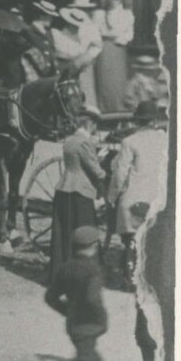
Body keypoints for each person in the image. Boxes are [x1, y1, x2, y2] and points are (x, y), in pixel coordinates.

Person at [38, 225, 111, 361]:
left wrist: (68, 312)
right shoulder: (93, 270)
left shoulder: (65, 268)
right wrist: (101, 320)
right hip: (88, 328)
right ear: (94, 246)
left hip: (73, 327)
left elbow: (50, 297)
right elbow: (92, 299)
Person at [50, 115, 106, 270]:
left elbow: (77, 163)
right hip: (80, 193)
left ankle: (61, 271)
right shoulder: (85, 142)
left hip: (63, 189)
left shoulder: (69, 140)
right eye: (95, 126)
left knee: (64, 235)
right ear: (90, 124)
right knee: (84, 232)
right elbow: (94, 170)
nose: (95, 129)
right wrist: (106, 173)